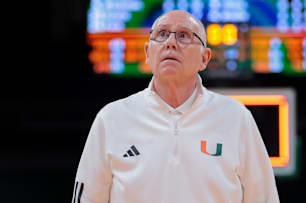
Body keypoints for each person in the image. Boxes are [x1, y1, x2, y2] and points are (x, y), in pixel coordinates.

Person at [72, 10, 280, 203]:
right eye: (162, 34)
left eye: (183, 36)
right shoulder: (111, 119)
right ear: (148, 52)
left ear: (204, 58)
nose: (170, 43)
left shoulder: (237, 117)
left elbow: (264, 198)